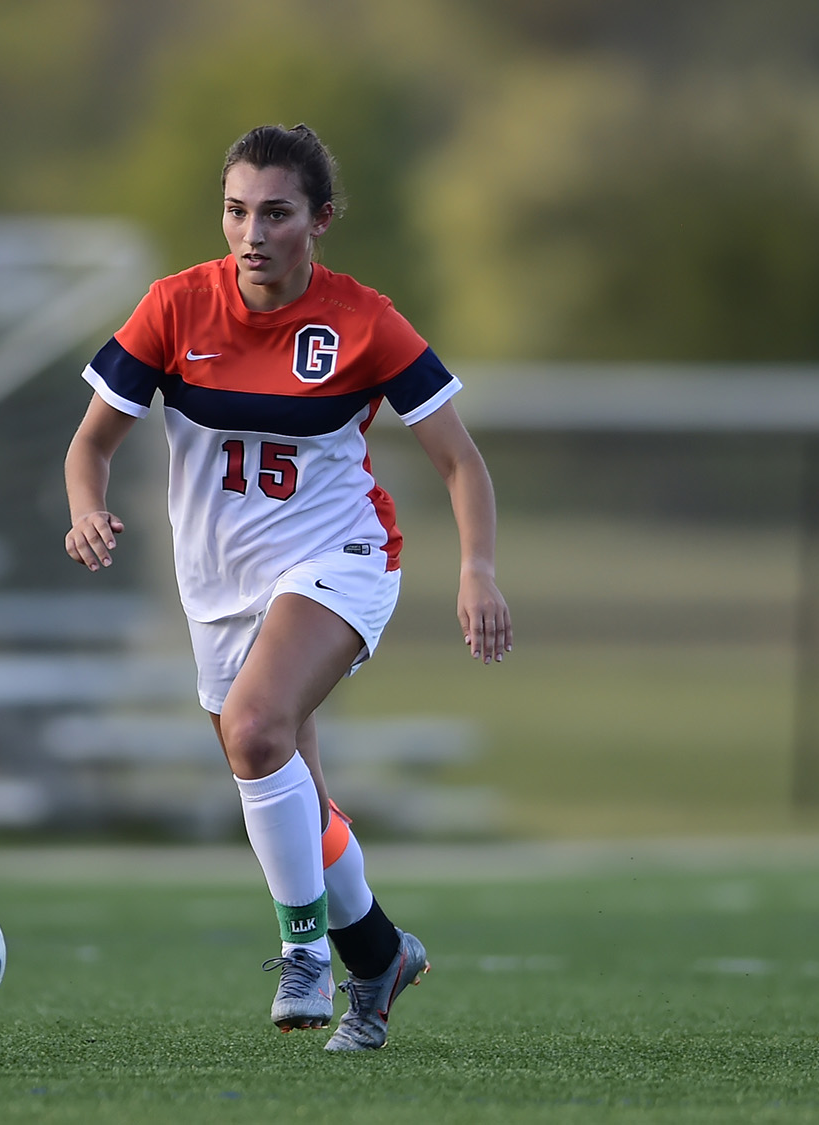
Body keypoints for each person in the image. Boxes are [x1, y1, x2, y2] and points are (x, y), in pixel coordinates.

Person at [64, 124, 510, 1052]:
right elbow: (91, 444)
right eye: (236, 210)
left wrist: (477, 570)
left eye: (275, 212)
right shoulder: (174, 308)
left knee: (257, 729)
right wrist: (87, 508)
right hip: (219, 586)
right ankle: (380, 954)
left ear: (320, 221)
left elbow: (461, 463)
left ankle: (303, 949)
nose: (252, 232)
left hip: (342, 555)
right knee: (284, 773)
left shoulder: (366, 321)